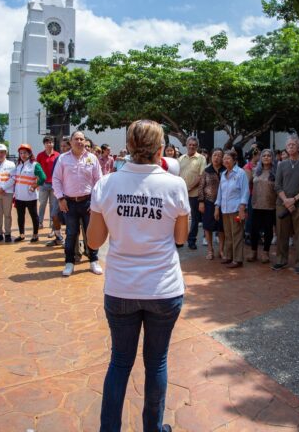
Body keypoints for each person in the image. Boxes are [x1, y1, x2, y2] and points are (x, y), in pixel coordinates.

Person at [87, 119, 188, 432]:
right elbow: (181, 238)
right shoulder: (175, 185)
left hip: (121, 288)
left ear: (128, 147)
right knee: (155, 362)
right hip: (163, 289)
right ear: (161, 150)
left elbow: (93, 242)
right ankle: (152, 429)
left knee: (120, 362)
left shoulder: (107, 184)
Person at [53, 131, 103, 277]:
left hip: (88, 201)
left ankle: (94, 260)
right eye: (76, 139)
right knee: (71, 233)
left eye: (82, 139)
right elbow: (56, 179)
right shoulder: (63, 159)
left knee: (91, 233)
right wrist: (60, 199)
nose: (79, 141)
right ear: (71, 142)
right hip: (69, 203)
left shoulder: (92, 158)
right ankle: (69, 262)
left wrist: (95, 201)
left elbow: (98, 181)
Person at [273, 137, 299, 272]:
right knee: (281, 233)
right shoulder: (281, 165)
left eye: (293, 144)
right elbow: (277, 185)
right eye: (288, 144)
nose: (290, 146)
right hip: (282, 203)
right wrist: (286, 200)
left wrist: (294, 200)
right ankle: (281, 260)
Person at [214, 150, 249, 268]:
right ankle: (228, 256)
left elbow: (245, 192)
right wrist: (217, 207)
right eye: (224, 158)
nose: (225, 160)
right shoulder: (223, 174)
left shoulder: (241, 173)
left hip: (236, 209)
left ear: (235, 160)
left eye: (228, 158)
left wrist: (242, 208)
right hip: (225, 209)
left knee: (237, 234)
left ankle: (238, 259)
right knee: (228, 234)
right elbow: (220, 192)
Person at [249, 149, 277, 263]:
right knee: (253, 230)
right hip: (256, 205)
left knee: (268, 230)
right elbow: (250, 183)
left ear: (272, 158)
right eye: (264, 155)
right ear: (260, 158)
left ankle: (266, 253)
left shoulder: (276, 172)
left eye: (269, 156)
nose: (266, 157)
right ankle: (253, 251)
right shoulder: (255, 171)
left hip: (270, 205)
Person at [13, 144, 45, 243]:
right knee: (20, 216)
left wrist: (35, 185)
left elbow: (43, 177)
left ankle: (35, 235)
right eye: (21, 153)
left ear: (30, 153)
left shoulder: (35, 164)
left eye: (25, 153)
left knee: (34, 216)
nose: (23, 155)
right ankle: (21, 235)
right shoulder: (18, 165)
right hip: (19, 197)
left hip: (30, 196)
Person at [178, 136, 207, 250]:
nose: (192, 146)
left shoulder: (201, 159)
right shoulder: (180, 159)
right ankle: (179, 240)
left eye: (194, 145)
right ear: (186, 145)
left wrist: (189, 187)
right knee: (180, 217)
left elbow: (201, 176)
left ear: (197, 146)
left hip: (194, 194)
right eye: (190, 144)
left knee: (194, 219)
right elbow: (177, 175)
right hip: (181, 194)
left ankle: (191, 240)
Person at [198, 148, 225, 260]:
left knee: (221, 228)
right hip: (209, 202)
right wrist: (201, 202)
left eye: (219, 155)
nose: (217, 157)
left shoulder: (225, 170)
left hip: (223, 203)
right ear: (210, 156)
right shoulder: (206, 170)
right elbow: (201, 187)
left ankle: (221, 250)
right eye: (215, 155)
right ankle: (210, 250)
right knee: (208, 227)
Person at [36, 136, 62, 241]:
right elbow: (37, 170)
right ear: (44, 144)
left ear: (53, 143)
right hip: (43, 184)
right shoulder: (40, 155)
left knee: (53, 205)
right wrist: (37, 182)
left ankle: (52, 226)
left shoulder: (58, 155)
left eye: (50, 142)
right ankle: (40, 222)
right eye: (47, 142)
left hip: (54, 184)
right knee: (42, 203)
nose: (49, 144)